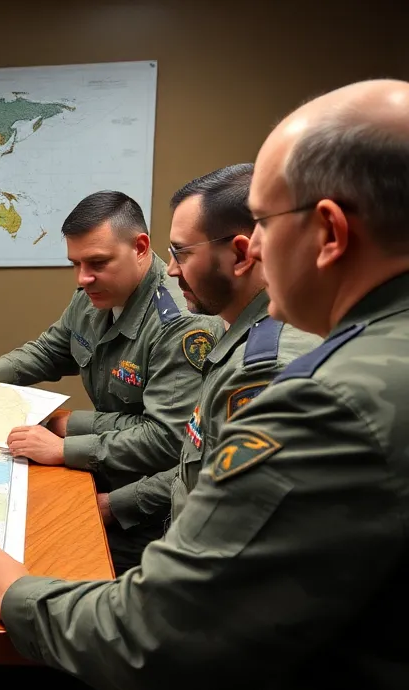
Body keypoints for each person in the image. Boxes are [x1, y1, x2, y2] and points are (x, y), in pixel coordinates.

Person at [0, 79, 409, 690]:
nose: (248, 248)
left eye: (260, 222)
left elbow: (158, 634)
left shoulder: (322, 398)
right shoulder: (369, 354)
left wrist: (15, 592)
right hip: (319, 688)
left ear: (329, 232)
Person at [0, 191, 222, 571]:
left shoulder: (180, 324)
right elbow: (51, 349)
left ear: (140, 247)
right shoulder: (95, 292)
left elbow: (166, 439)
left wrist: (64, 445)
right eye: (75, 263)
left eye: (97, 263)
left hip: (150, 509)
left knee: (47, 566)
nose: (83, 278)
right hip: (102, 471)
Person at [107, 165, 320, 530]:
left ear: (240, 255)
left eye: (182, 253)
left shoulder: (261, 369)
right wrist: (118, 503)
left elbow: (233, 531)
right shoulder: (242, 332)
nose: (171, 270)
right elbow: (201, 468)